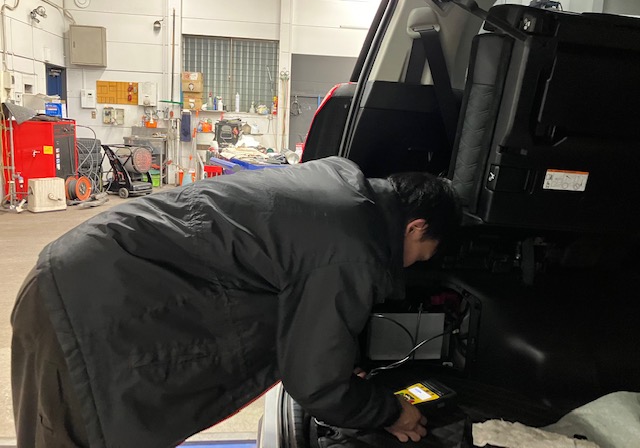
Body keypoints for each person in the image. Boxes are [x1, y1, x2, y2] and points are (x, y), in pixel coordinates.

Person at [11, 156, 461, 448]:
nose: (409, 268)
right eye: (419, 256)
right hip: (87, 314)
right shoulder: (354, 245)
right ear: (416, 227)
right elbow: (316, 384)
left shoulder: (341, 185)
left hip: (78, 280)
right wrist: (391, 411)